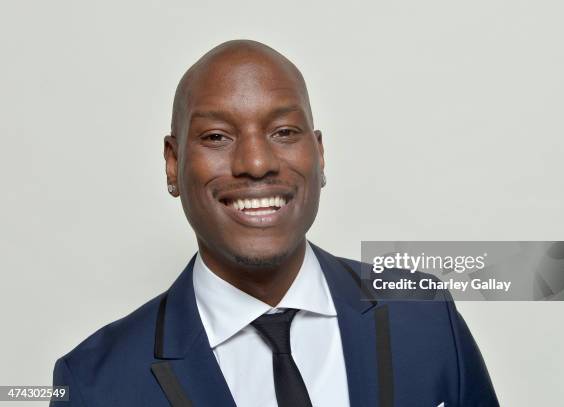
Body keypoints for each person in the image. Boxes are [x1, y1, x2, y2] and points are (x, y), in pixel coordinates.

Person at [50, 40, 499, 407]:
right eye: (217, 137)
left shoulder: (425, 316)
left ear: (319, 154)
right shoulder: (94, 385)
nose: (257, 162)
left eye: (284, 132)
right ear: (173, 164)